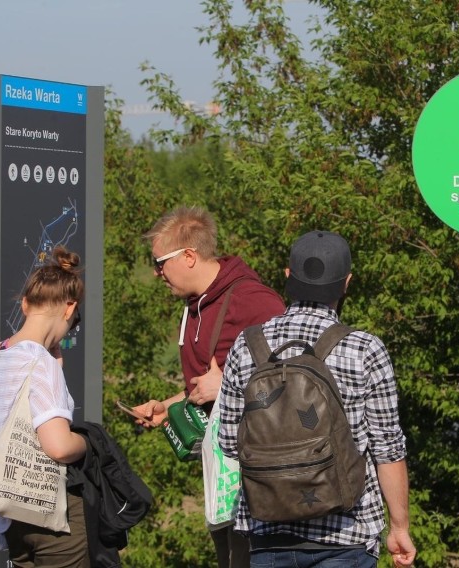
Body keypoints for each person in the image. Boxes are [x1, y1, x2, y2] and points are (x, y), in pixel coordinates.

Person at [217, 230, 417, 567]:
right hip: (345, 535)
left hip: (268, 532)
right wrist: (399, 526)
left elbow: (228, 442)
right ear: (347, 282)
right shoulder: (364, 349)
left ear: (287, 277)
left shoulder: (247, 345)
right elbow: (388, 449)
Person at [134, 206, 285, 568]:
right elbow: (205, 383)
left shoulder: (256, 302)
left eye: (160, 263)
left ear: (188, 256)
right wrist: (169, 406)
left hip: (258, 480)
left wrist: (229, 385)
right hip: (222, 476)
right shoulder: (194, 305)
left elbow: (292, 380)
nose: (156, 273)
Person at [0, 246, 89, 567]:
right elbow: (58, 447)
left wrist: (53, 368)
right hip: (53, 513)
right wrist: (90, 441)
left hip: (12, 513)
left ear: (26, 304)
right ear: (69, 308)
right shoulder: (40, 362)